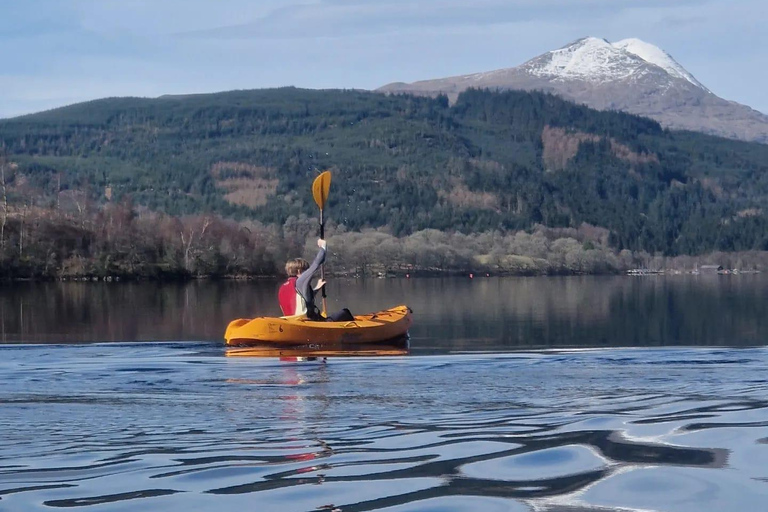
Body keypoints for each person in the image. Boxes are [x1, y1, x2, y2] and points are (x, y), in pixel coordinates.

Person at [279, 238, 354, 322]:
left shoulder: (284, 287)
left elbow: (304, 300)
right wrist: (323, 247)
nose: (307, 273)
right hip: (309, 323)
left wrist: (317, 288)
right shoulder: (300, 281)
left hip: (292, 322)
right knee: (345, 312)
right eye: (306, 270)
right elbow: (316, 264)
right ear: (299, 271)